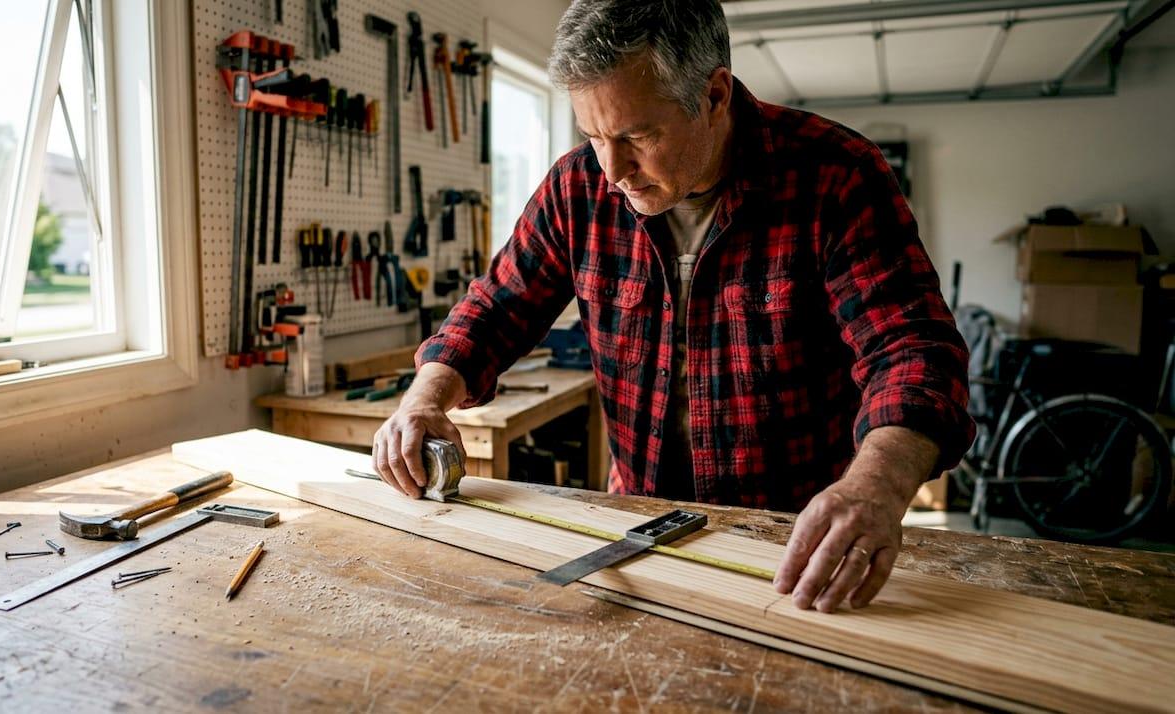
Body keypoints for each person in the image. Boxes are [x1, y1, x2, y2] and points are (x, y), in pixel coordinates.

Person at [372, 0, 973, 613]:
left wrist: (875, 488)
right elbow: (498, 304)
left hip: (797, 541)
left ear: (714, 95)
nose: (612, 170)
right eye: (593, 136)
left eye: (636, 135)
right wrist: (425, 398)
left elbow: (914, 351)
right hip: (637, 522)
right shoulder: (578, 185)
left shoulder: (835, 175)